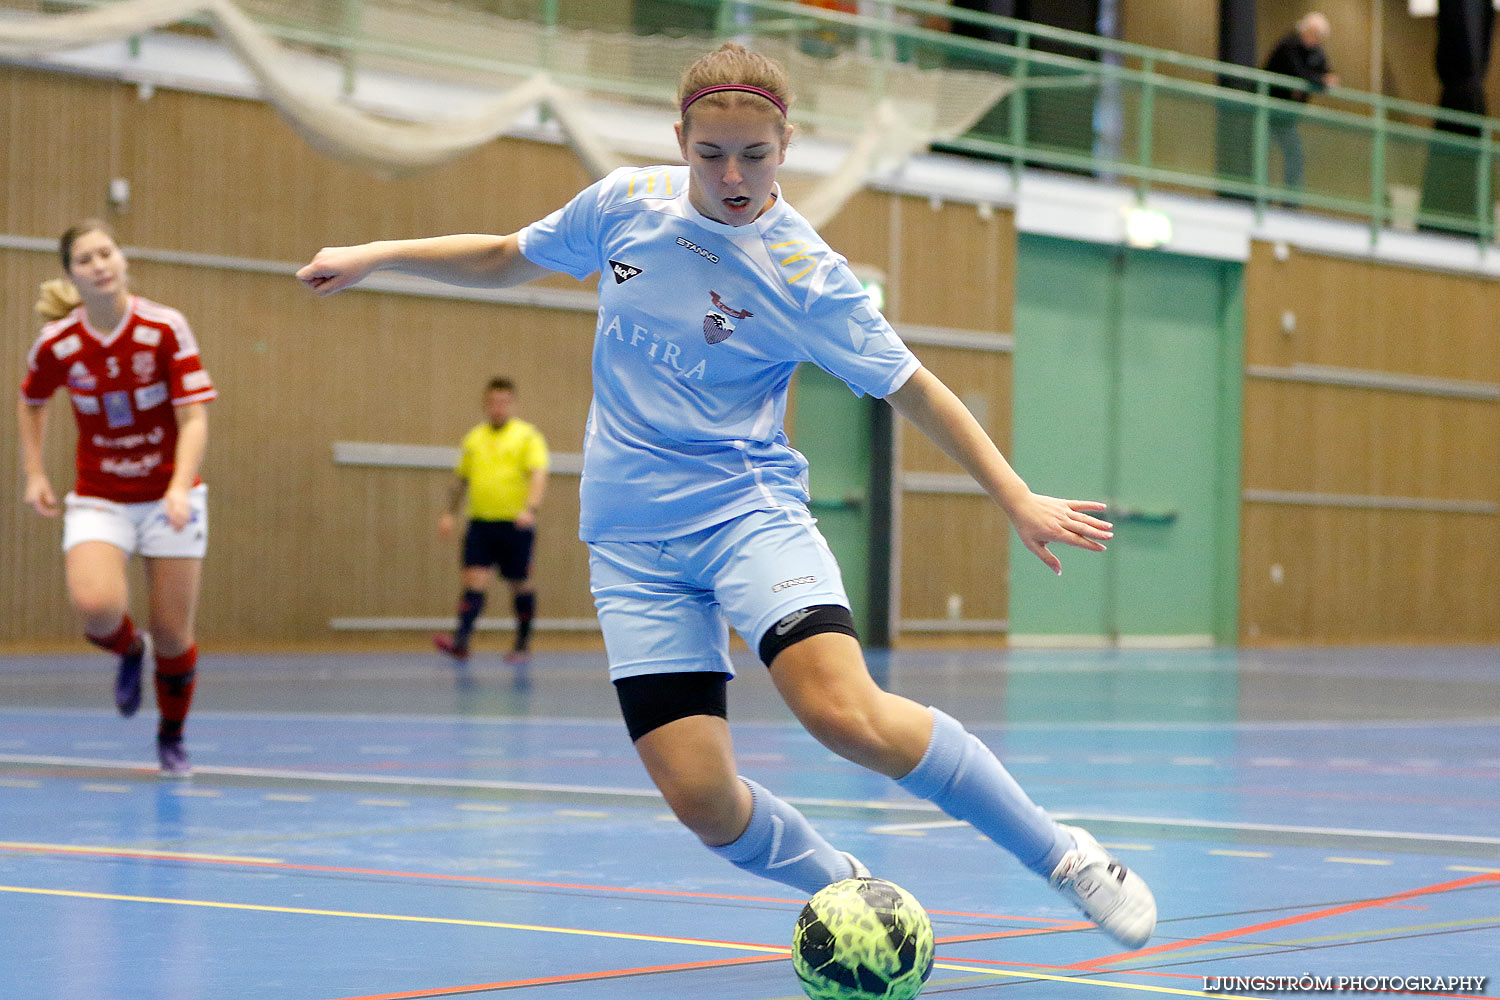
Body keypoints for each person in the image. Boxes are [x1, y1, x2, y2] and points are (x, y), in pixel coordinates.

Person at [297, 43, 1156, 948]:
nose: (734, 175)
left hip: (749, 518)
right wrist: (376, 254)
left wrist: (1014, 494)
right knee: (704, 801)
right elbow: (507, 255)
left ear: (787, 143)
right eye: (711, 155)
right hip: (632, 546)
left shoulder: (806, 274)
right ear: (681, 141)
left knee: (843, 714)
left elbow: (914, 387)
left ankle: (1066, 857)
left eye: (755, 153)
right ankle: (845, 887)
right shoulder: (625, 206)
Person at [18, 220, 216, 778]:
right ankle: (130, 652)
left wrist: (179, 486)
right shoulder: (59, 344)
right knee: (97, 608)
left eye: (106, 253)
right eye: (85, 259)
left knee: (174, 633)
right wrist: (34, 472)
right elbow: (31, 400)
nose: (100, 265)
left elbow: (194, 416)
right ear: (71, 276)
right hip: (101, 496)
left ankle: (171, 736)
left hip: (169, 496)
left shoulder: (164, 327)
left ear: (123, 261)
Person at [434, 377, 549, 671]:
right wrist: (449, 512)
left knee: (520, 583)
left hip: (515, 525)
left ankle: (522, 643)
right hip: (481, 524)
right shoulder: (474, 438)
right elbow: (461, 480)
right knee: (474, 579)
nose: (498, 408)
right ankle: (461, 642)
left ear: (513, 403)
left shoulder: (527, 436)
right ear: (486, 404)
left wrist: (530, 508)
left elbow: (538, 474)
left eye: (504, 402)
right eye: (493, 402)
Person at [1262, 12, 1338, 197]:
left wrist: (1322, 80)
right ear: (1306, 30)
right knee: (1261, 152)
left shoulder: (1317, 51)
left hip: (1287, 116)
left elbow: (1327, 75)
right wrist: (1319, 80)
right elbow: (1299, 73)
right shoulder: (1289, 44)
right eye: (1314, 34)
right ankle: (1260, 198)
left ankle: (1290, 202)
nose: (1316, 40)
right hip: (1267, 109)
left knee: (1295, 155)